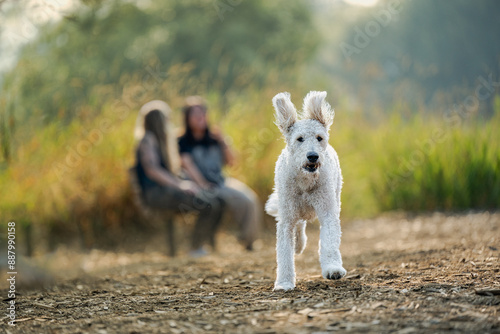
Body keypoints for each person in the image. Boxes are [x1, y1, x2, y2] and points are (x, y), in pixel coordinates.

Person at [134, 100, 224, 257]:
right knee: (208, 205)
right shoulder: (148, 140)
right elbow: (153, 171)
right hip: (156, 194)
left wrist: (189, 183)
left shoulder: (160, 140)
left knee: (217, 201)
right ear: (158, 120)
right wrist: (181, 185)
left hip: (166, 190)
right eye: (167, 118)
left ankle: (203, 244)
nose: (169, 122)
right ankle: (195, 248)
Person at [178, 96, 261, 250]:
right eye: (194, 114)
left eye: (202, 113)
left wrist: (223, 140)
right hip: (199, 184)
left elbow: (232, 162)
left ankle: (249, 241)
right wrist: (203, 184)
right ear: (187, 118)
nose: (199, 117)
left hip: (221, 182)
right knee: (214, 203)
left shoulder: (215, 138)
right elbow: (188, 166)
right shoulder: (182, 141)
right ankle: (200, 245)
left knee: (249, 200)